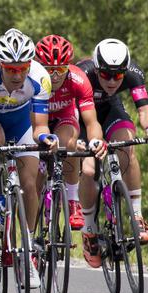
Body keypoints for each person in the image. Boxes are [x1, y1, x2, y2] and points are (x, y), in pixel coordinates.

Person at [0, 28, 58, 289]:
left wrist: (45, 139)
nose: (17, 75)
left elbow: (40, 126)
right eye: (11, 70)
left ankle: (27, 254)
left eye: (22, 69)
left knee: (30, 185)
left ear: (29, 65)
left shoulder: (40, 78)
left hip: (20, 119)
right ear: (0, 65)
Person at [76, 38, 148, 268]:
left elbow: (144, 109)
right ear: (96, 68)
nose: (112, 80)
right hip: (83, 118)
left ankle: (136, 215)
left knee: (127, 147)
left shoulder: (133, 72)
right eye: (106, 75)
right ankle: (89, 229)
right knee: (88, 169)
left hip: (111, 110)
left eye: (118, 76)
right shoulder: (82, 74)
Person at [34, 35, 107, 232]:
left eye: (60, 69)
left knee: (69, 143)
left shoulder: (78, 79)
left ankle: (73, 201)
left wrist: (96, 141)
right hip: (35, 122)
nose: (55, 75)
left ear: (69, 66)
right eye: (49, 70)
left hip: (63, 119)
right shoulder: (31, 79)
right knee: (33, 181)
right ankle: (31, 237)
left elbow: (91, 121)